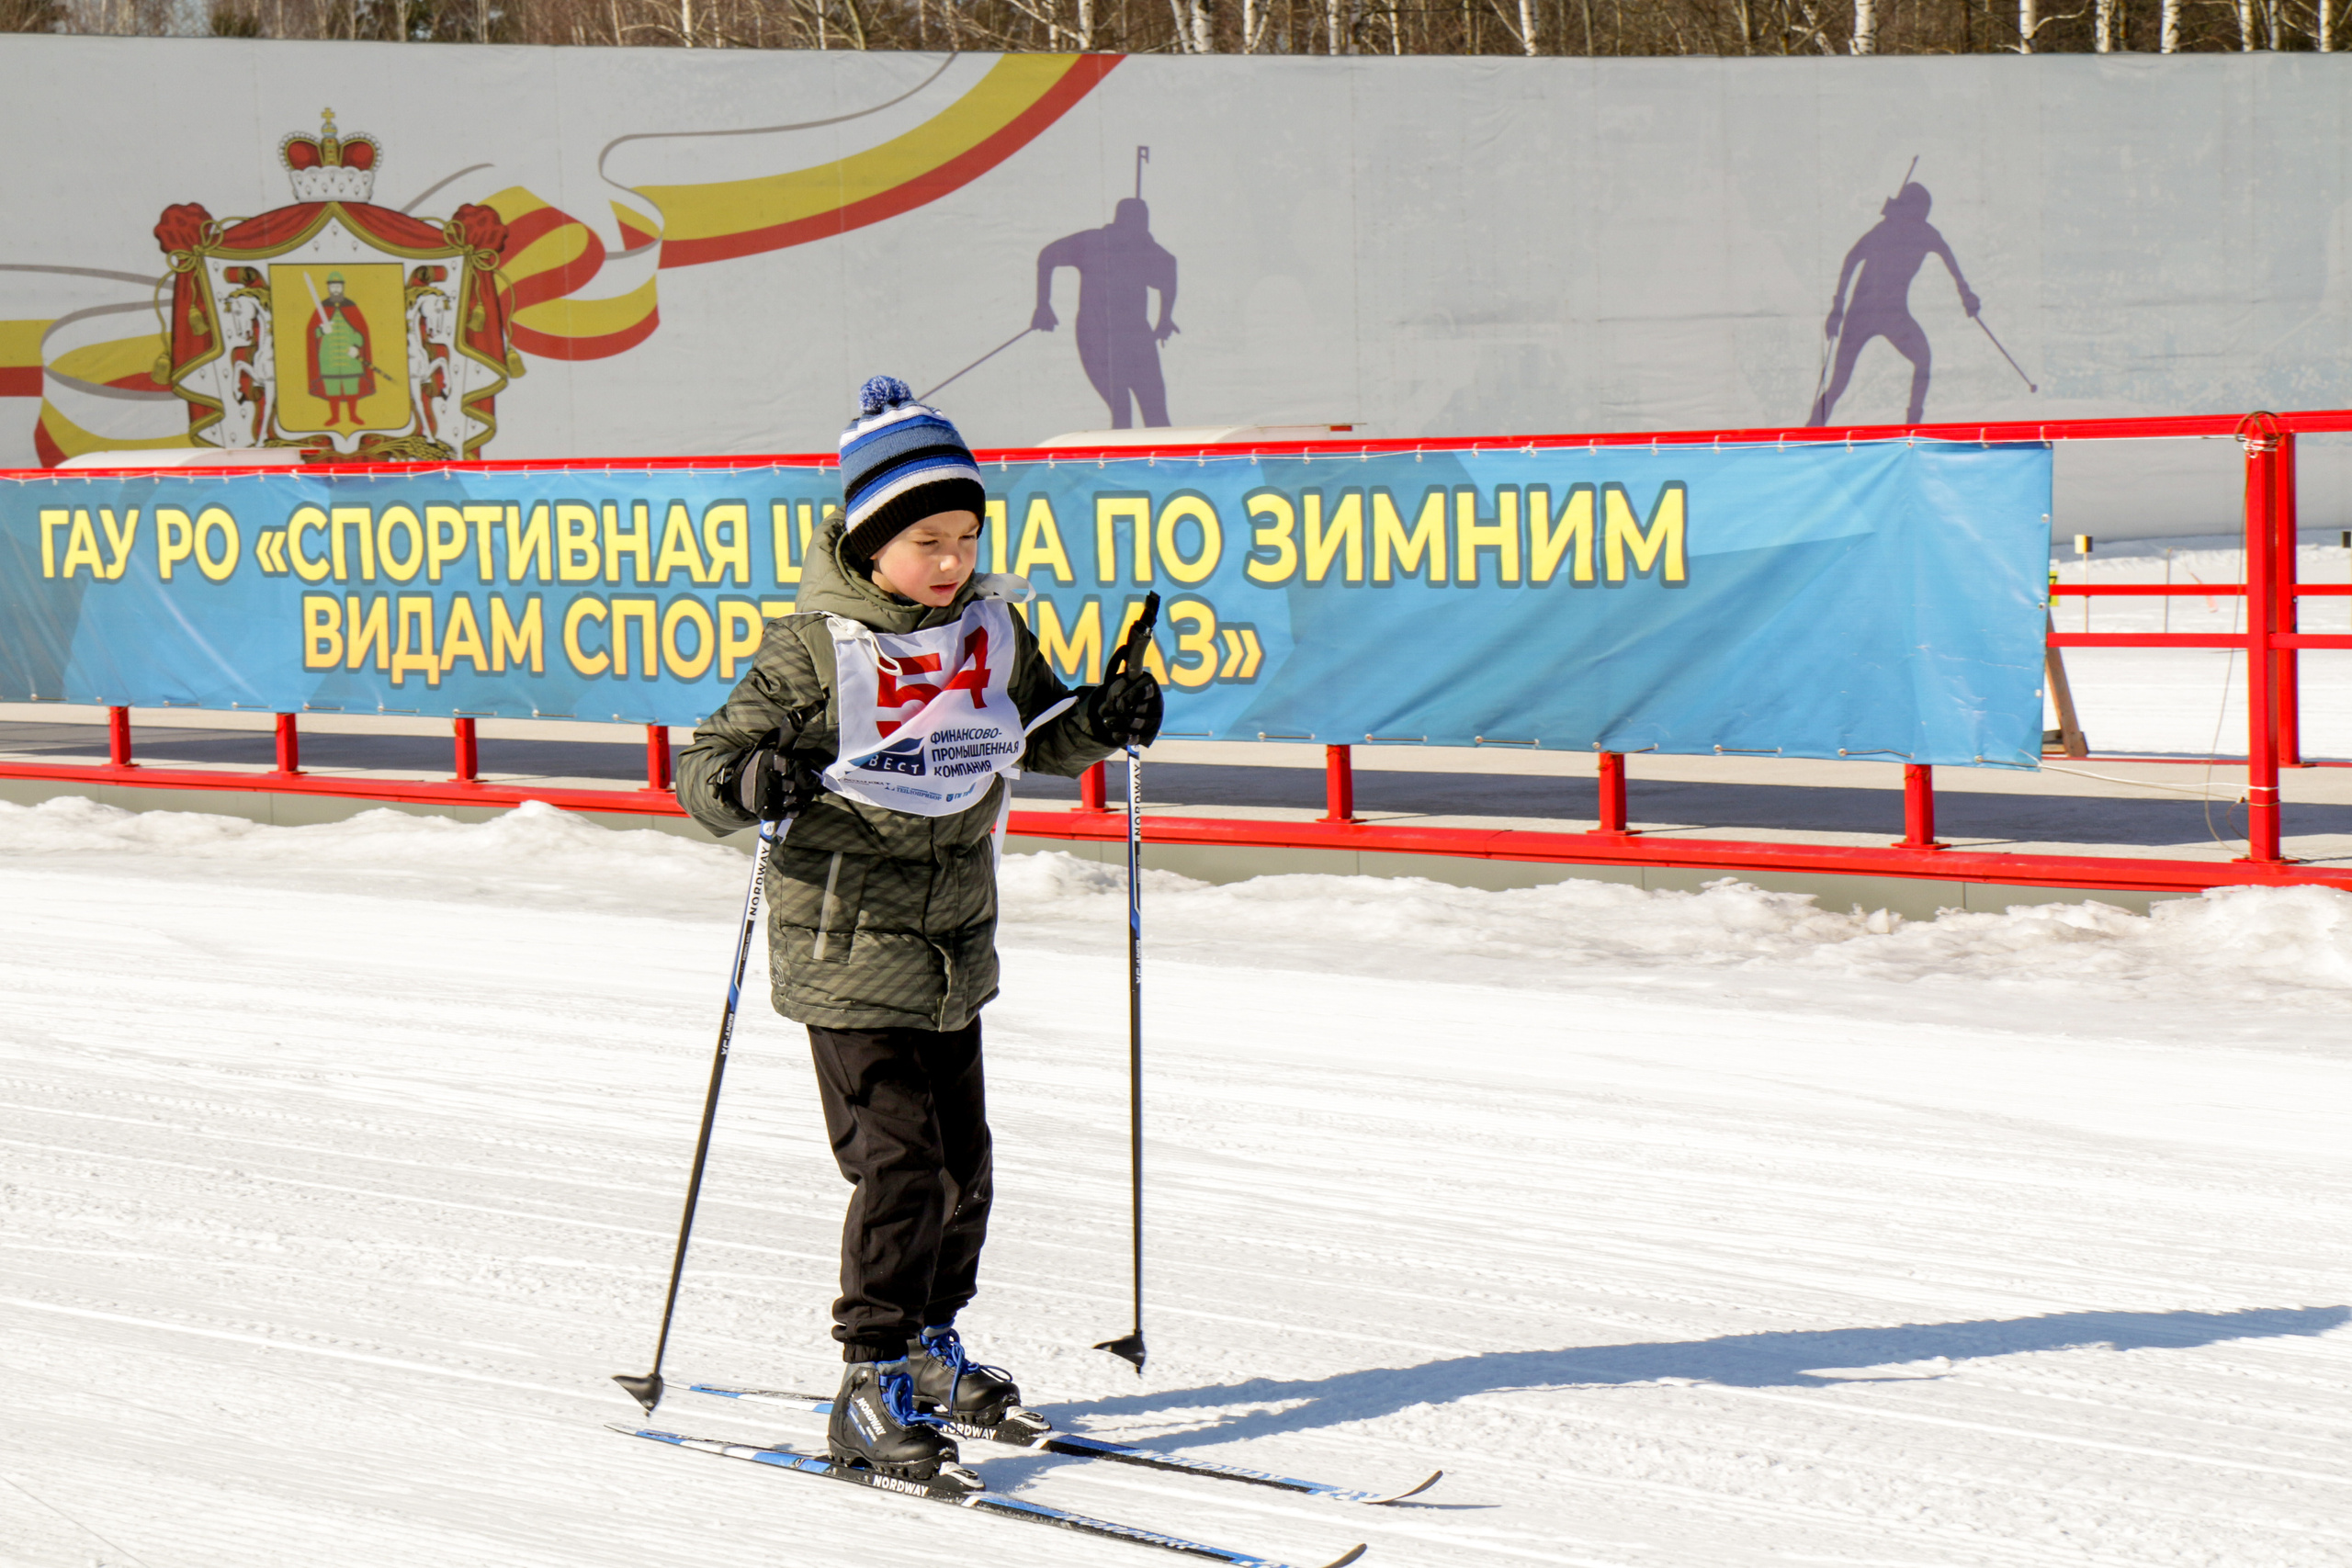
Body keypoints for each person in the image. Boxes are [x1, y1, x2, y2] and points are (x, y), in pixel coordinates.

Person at [675, 376, 1164, 1483]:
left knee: (964, 1170)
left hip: (955, 946)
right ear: (869, 539)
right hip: (846, 947)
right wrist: (752, 776)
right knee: (898, 1169)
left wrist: (1102, 718)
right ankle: (867, 1378)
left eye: (964, 535)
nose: (949, 560)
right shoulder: (814, 652)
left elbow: (1035, 731)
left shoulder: (988, 631)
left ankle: (931, 1347)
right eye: (925, 540)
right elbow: (702, 770)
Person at [1807, 183, 1981, 427]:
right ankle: (1814, 426)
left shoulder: (1924, 233)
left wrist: (1966, 294)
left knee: (1922, 360)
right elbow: (1850, 260)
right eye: (1919, 209)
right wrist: (1837, 307)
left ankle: (1912, 427)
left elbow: (1949, 260)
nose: (1921, 215)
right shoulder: (1884, 231)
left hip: (1893, 314)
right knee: (1839, 382)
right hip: (1862, 314)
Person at [1032, 198, 1180, 430]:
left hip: (1136, 336)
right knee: (1122, 410)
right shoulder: (1093, 242)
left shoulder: (1143, 248)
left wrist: (1165, 317)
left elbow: (1169, 266)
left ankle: (1168, 463)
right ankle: (1122, 463)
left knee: (1155, 413)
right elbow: (1048, 255)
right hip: (1097, 336)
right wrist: (1043, 305)